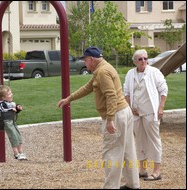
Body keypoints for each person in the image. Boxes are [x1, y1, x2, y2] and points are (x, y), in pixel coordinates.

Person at [57, 46, 140, 189]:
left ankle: (111, 186)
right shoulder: (103, 68)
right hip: (124, 111)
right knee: (127, 149)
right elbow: (88, 87)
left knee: (112, 153)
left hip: (117, 114)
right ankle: (133, 184)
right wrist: (69, 99)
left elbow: (111, 95)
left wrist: (110, 119)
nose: (84, 63)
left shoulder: (102, 72)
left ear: (92, 59)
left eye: (85, 60)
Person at [123, 49, 168, 181]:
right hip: (136, 114)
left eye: (145, 58)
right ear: (135, 61)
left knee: (154, 140)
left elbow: (163, 89)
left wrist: (160, 108)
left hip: (150, 112)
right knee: (139, 141)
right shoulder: (130, 74)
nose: (143, 61)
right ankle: (142, 170)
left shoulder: (154, 72)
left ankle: (156, 171)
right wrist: (130, 108)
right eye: (140, 59)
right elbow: (126, 92)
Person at [0, 85, 27, 160]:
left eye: (11, 93)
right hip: (7, 122)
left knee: (18, 136)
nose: (11, 94)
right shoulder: (1, 104)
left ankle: (21, 152)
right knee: (13, 136)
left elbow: (14, 111)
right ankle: (16, 153)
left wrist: (18, 108)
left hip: (12, 121)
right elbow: (2, 110)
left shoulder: (11, 103)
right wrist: (11, 109)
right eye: (9, 94)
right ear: (3, 98)